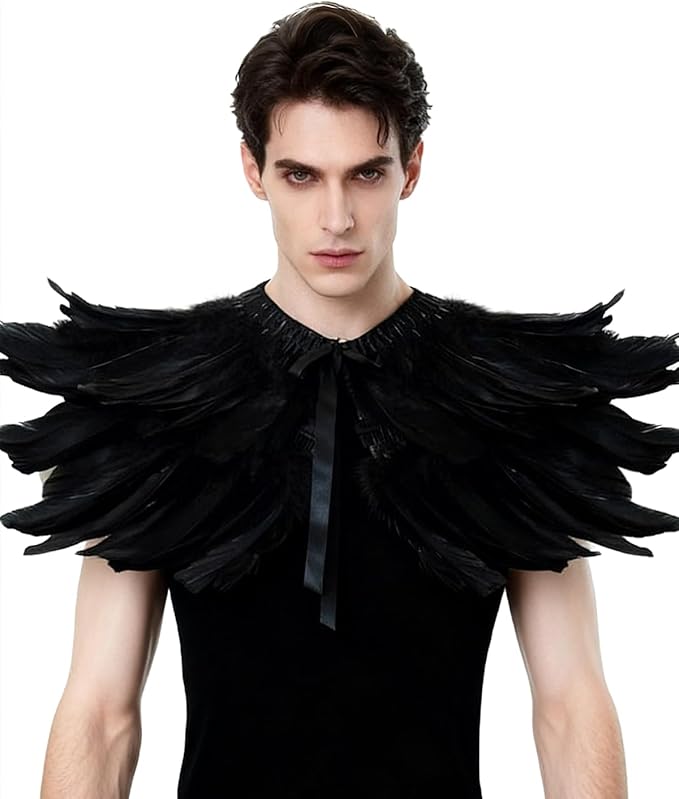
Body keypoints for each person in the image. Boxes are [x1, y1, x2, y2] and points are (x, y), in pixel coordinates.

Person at [1, 2, 679, 797]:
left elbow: (568, 705)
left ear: (410, 169)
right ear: (252, 170)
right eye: (301, 175)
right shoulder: (164, 397)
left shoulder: (503, 397)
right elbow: (100, 713)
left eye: (366, 173)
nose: (336, 218)